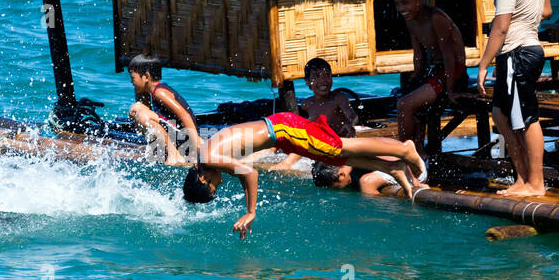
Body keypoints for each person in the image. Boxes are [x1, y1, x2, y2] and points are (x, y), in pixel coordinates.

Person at [180, 112, 427, 237]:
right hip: (281, 133)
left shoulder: (209, 159)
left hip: (284, 129)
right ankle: (390, 167)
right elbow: (244, 175)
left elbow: (250, 173)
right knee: (330, 157)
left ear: (203, 179)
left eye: (214, 187)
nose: (219, 185)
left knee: (340, 147)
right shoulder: (207, 158)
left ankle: (403, 149)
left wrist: (251, 211)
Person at [477, 0, 552, 197]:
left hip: (518, 54)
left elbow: (500, 28)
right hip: (527, 51)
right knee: (500, 113)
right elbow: (546, 9)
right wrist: (527, 18)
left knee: (527, 118)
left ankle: (536, 184)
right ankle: (522, 179)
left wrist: (484, 64)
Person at [393, 0, 467, 159]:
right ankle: (418, 151)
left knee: (404, 104)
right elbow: (418, 54)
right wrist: (415, 79)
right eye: (397, 4)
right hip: (433, 71)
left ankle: (403, 155)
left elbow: (450, 56)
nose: (401, 8)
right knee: (406, 100)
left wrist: (451, 90)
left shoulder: (436, 18)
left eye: (405, 2)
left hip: (452, 73)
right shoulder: (411, 21)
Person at [268, 57, 358, 173]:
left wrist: (349, 124)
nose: (323, 80)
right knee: (283, 137)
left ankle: (286, 163)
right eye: (316, 77)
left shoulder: (338, 98)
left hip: (333, 139)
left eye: (327, 75)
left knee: (306, 140)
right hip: (317, 141)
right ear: (307, 82)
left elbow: (353, 116)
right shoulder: (307, 104)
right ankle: (262, 155)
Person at [127, 55, 202, 165]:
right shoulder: (152, 91)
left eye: (133, 78)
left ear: (146, 77)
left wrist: (196, 142)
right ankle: (159, 149)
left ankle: (175, 155)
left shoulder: (160, 92)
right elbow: (146, 108)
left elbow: (184, 114)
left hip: (185, 139)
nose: (131, 82)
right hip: (176, 135)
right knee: (136, 109)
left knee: (142, 115)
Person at [311, 162, 402, 197]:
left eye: (337, 188)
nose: (341, 189)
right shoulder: (349, 168)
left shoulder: (356, 156)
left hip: (400, 169)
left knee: (367, 182)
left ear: (341, 175)